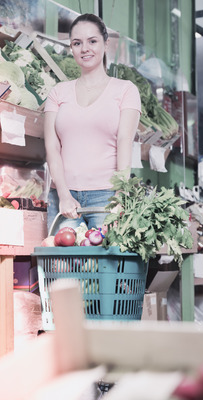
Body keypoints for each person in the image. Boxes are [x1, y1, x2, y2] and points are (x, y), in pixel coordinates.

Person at [44, 13, 141, 234]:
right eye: (77, 43)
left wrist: (120, 194)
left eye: (92, 41)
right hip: (65, 197)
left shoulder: (125, 90)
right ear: (71, 47)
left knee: (106, 266)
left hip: (107, 197)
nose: (85, 48)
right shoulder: (58, 92)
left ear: (106, 43)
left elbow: (125, 141)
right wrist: (63, 194)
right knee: (63, 267)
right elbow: (52, 146)